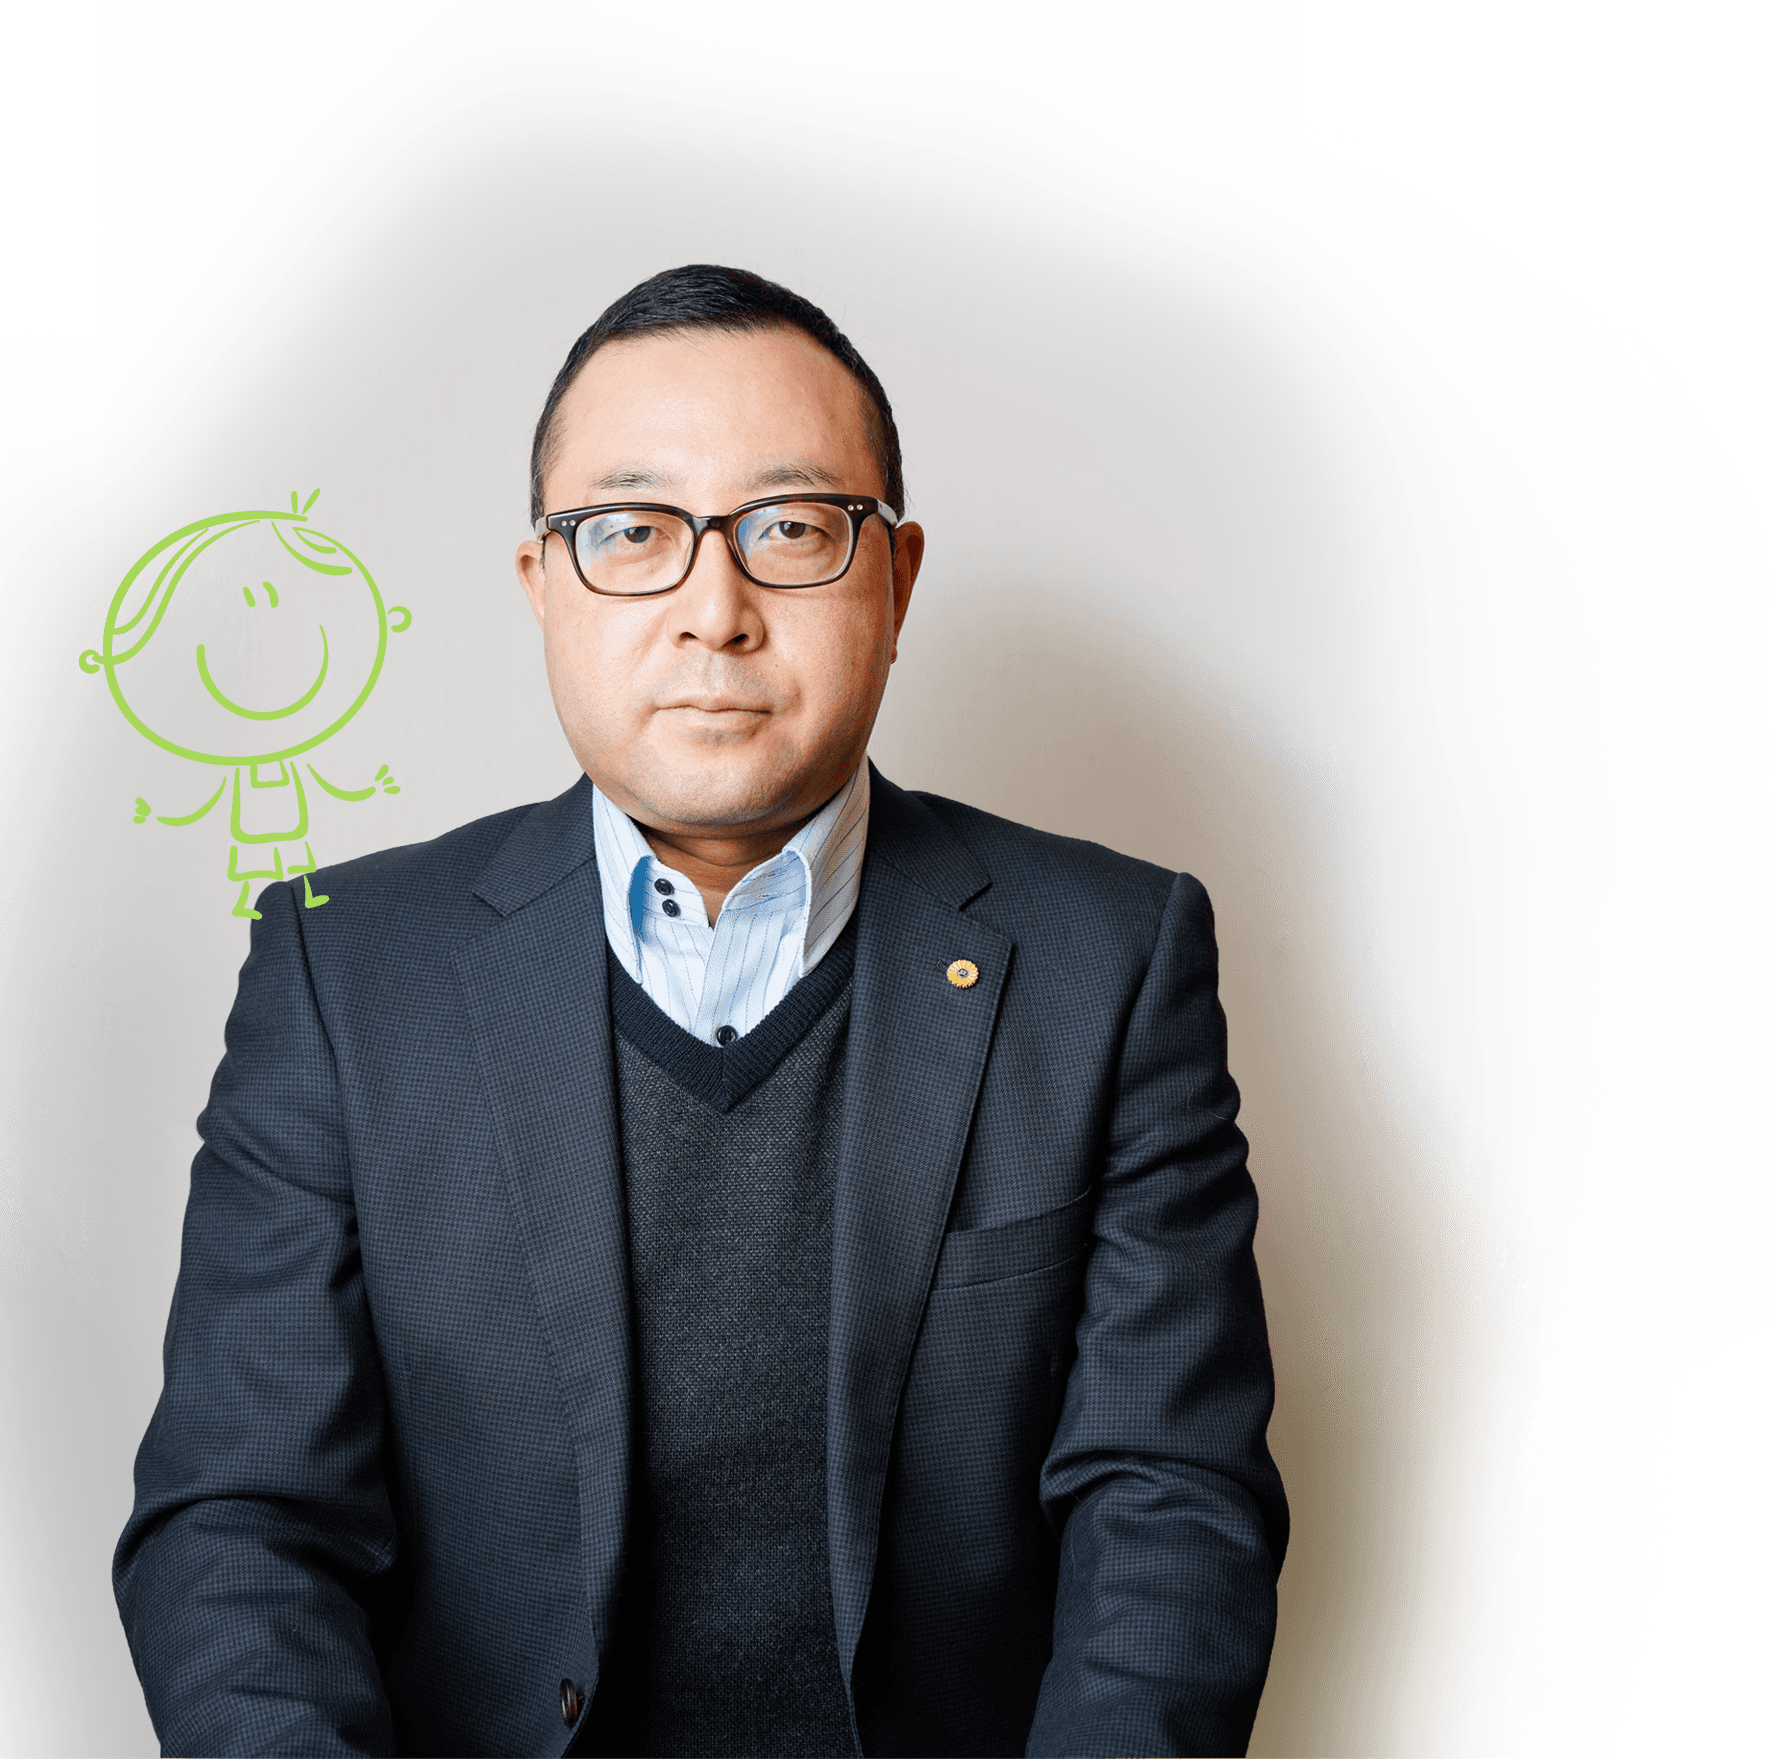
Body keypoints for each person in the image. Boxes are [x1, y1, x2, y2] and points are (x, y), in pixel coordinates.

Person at [113, 264, 1288, 1758]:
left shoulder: (1108, 958)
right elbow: (242, 1523)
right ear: (542, 585)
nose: (713, 613)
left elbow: (1168, 1504)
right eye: (630, 533)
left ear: (896, 578)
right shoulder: (347, 972)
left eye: (789, 529)